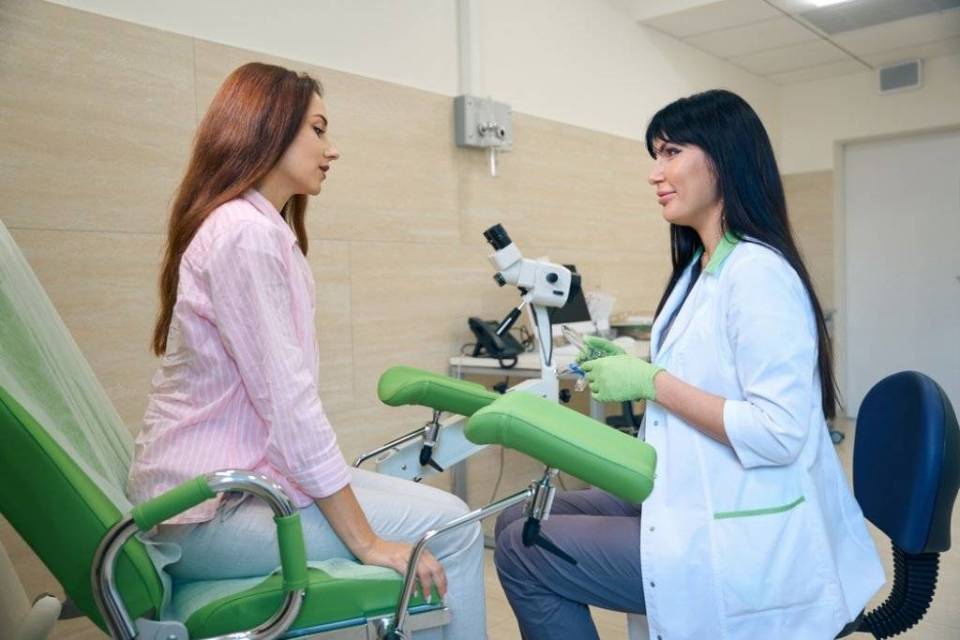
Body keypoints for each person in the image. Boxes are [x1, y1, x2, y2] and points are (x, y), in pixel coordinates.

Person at [494, 89, 884, 640]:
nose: (655, 173)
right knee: (515, 516)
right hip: (691, 486)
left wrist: (652, 381)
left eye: (672, 152)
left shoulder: (757, 273)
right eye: (655, 155)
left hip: (743, 532)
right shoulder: (700, 269)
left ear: (724, 160)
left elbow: (778, 432)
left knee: (522, 547)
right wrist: (639, 370)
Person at [127, 62, 485, 639]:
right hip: (207, 517)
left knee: (445, 514)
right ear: (267, 129)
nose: (331, 148)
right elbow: (290, 408)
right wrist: (367, 542)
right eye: (318, 130)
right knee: (451, 528)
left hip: (239, 494)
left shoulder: (255, 228)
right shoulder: (244, 235)